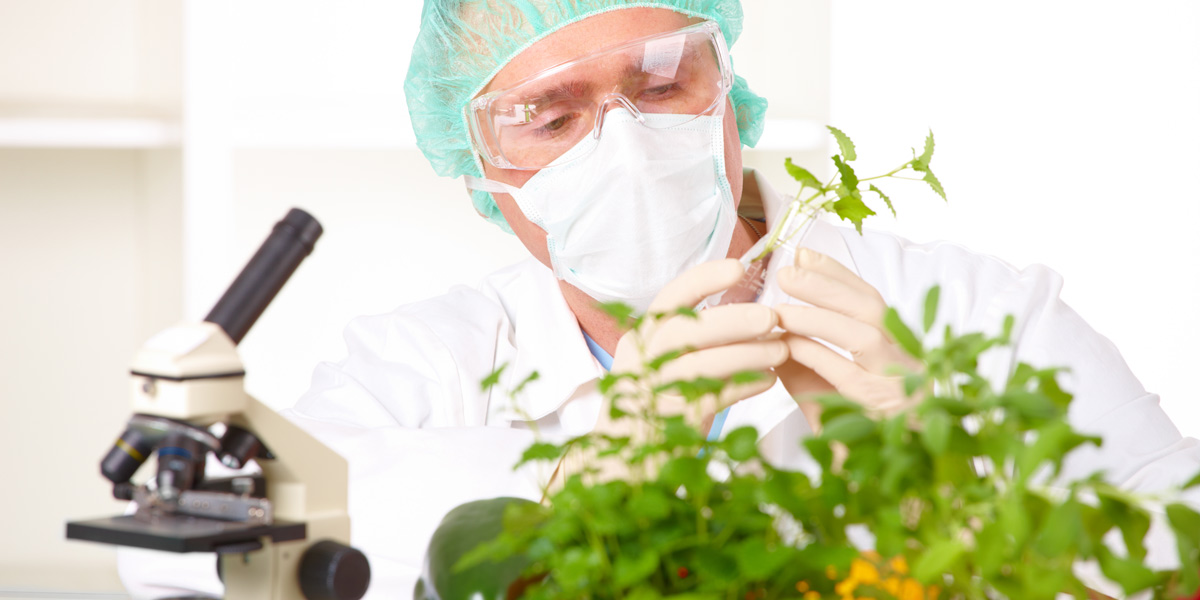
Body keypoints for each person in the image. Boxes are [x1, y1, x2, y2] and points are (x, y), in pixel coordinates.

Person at [119, 1, 1200, 598]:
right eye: (550, 114)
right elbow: (164, 562)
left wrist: (951, 473)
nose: (625, 145)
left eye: (657, 82)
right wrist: (586, 477)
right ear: (478, 167)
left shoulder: (973, 312)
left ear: (727, 90)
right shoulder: (427, 363)